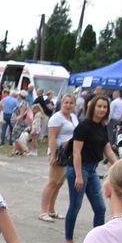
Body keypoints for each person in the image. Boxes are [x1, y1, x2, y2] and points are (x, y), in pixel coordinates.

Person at [64, 93, 119, 243]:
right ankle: (68, 240)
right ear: (92, 107)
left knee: (100, 208)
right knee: (75, 206)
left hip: (93, 169)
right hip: (78, 169)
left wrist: (120, 166)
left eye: (105, 107)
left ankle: (97, 241)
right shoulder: (84, 126)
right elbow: (76, 152)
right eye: (99, 106)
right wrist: (79, 175)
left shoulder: (102, 126)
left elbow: (107, 150)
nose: (102, 109)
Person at [40, 93, 78, 222]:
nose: (68, 105)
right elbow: (52, 137)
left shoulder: (73, 117)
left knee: (59, 183)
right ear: (61, 103)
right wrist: (53, 155)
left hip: (69, 153)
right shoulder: (57, 118)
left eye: (71, 103)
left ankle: (51, 209)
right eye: (66, 102)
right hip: (59, 152)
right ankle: (43, 211)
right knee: (52, 182)